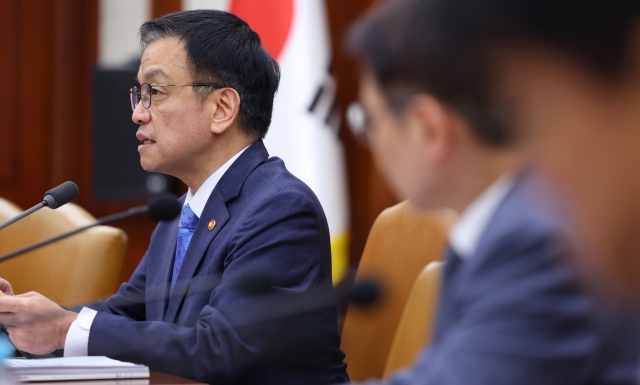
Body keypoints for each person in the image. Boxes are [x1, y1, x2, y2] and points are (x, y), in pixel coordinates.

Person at [0, 10, 349, 385]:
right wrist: (21, 318)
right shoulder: (182, 212)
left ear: (222, 108)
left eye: (155, 92)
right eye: (138, 93)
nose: (137, 113)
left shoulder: (280, 209)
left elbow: (218, 350)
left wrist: (64, 329)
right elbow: (127, 314)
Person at [343, 0, 640, 383]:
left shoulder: (532, 236)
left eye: (545, 122)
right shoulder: (490, 232)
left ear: (429, 129)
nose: (541, 167)